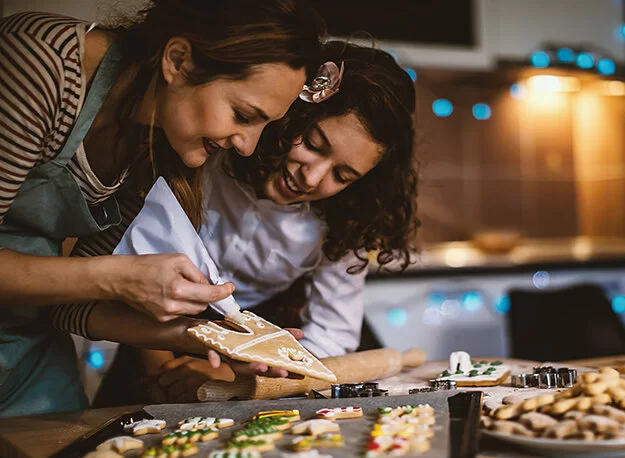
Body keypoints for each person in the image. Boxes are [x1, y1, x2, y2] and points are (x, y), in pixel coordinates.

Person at [0, 1, 324, 417]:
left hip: (27, 354)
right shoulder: (42, 64)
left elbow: (66, 305)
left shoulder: (154, 146)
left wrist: (205, 336)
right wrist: (117, 278)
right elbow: (95, 282)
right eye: (243, 116)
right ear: (179, 61)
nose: (247, 146)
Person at [53, 41, 419, 404]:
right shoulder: (204, 151)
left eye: (342, 175)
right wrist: (164, 367)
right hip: (148, 330)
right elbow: (132, 257)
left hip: (263, 356)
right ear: (290, 114)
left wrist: (241, 372)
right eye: (312, 143)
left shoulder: (346, 220)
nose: (312, 178)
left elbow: (333, 335)